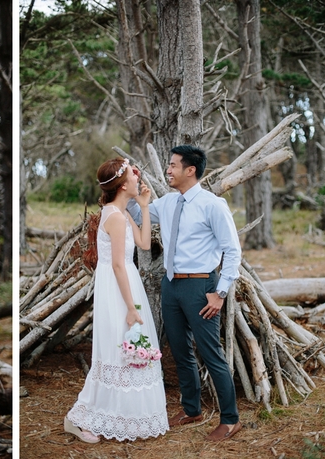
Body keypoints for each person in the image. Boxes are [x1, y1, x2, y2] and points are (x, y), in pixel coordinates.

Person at [136, 145, 243, 441]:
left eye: (172, 165)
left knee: (211, 354)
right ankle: (191, 409)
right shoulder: (168, 202)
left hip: (201, 286)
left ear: (190, 170)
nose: (168, 170)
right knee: (180, 351)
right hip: (171, 285)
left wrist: (219, 293)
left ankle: (231, 420)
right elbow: (137, 212)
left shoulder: (213, 205)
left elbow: (232, 251)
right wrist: (133, 189)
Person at [64, 158, 169, 443]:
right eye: (135, 176)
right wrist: (132, 308)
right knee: (117, 351)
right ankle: (80, 417)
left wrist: (145, 207)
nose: (139, 180)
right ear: (124, 185)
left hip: (125, 283)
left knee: (127, 351)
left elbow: (145, 244)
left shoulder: (120, 212)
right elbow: (118, 265)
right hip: (119, 287)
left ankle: (117, 416)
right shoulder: (114, 217)